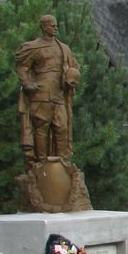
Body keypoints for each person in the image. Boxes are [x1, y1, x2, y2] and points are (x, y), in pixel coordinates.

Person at [15, 14, 81, 164]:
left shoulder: (63, 48)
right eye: (52, 25)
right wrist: (27, 84)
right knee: (41, 129)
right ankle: (42, 164)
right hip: (41, 93)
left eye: (56, 25)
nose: (56, 27)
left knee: (62, 127)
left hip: (58, 93)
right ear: (44, 27)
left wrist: (72, 78)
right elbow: (22, 66)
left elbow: (74, 66)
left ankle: (62, 163)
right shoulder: (33, 46)